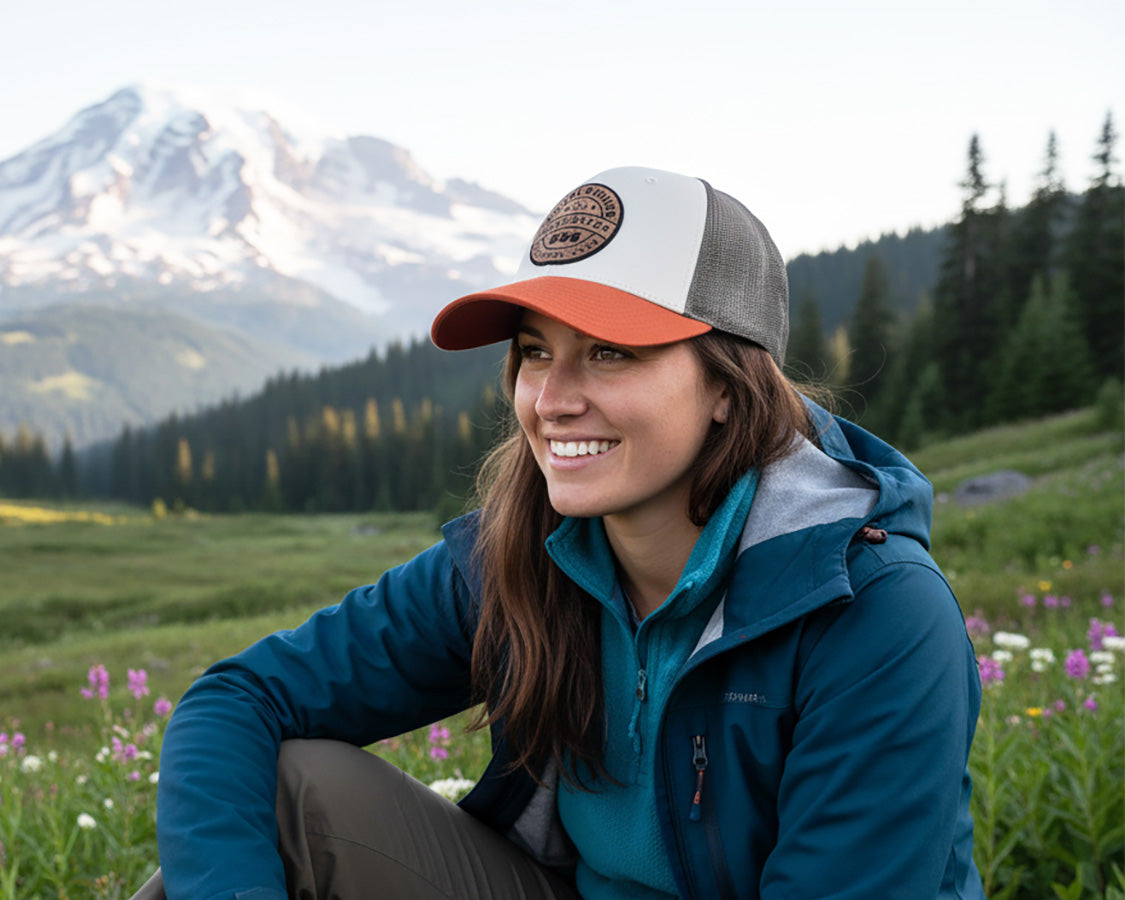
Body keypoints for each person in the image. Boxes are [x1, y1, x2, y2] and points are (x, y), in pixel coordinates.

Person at [134, 166, 986, 899]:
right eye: (536, 352)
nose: (550, 399)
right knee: (284, 794)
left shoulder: (873, 612)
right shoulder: (517, 553)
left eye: (611, 351)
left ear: (727, 382)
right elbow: (238, 700)